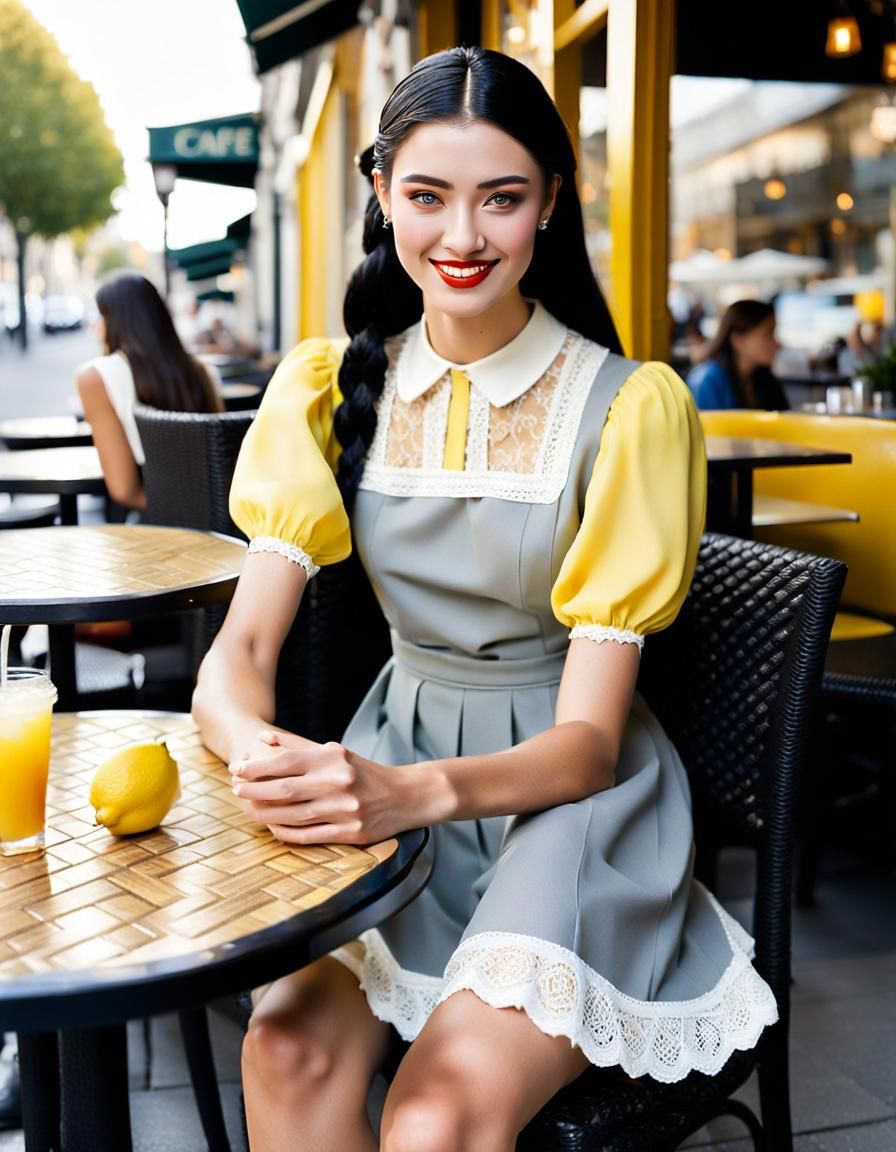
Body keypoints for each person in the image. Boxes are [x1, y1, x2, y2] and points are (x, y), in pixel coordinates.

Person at [193, 47, 777, 1151]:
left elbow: (589, 746)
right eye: (427, 196)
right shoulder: (324, 390)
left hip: (569, 802)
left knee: (436, 1115)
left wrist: (403, 797)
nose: (461, 237)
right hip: (390, 760)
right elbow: (240, 658)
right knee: (284, 1051)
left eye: (500, 199)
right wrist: (260, 751)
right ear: (381, 194)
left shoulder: (629, 407)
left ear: (550, 201)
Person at [75, 272, 223, 511]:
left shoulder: (95, 377)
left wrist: (180, 512)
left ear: (114, 320)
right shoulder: (202, 371)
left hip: (154, 521)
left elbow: (124, 491)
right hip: (219, 517)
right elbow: (221, 455)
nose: (96, 325)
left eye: (100, 315)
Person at [686, 298, 788, 410]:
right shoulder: (706, 381)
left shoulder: (765, 381)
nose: (778, 343)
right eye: (769, 334)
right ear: (738, 340)